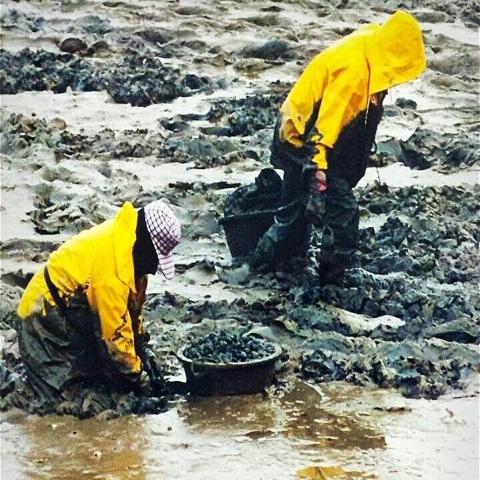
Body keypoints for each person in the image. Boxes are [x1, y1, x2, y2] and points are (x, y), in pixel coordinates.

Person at [249, 11, 426, 285]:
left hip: (300, 129)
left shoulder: (371, 48)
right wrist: (318, 170)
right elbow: (325, 127)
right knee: (341, 212)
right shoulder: (355, 73)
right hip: (302, 138)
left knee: (294, 210)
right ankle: (330, 280)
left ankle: (266, 267)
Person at [16, 200, 181, 406]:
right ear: (145, 244)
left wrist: (142, 348)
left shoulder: (127, 244)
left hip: (73, 315)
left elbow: (129, 311)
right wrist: (140, 379)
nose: (156, 267)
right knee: (64, 398)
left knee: (99, 376)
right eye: (156, 257)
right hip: (42, 319)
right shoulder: (111, 271)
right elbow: (116, 341)